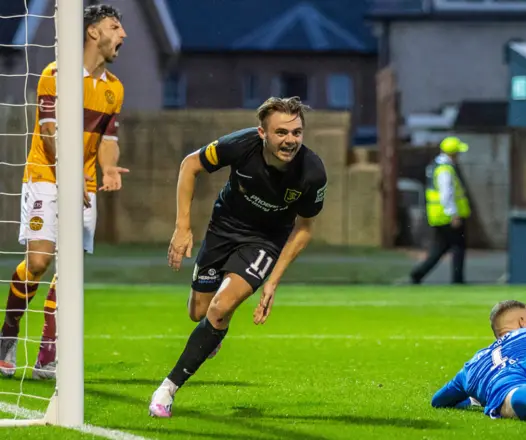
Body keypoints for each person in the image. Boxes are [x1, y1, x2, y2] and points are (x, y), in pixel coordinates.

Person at [148, 96, 328, 418]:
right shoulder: (240, 145)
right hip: (223, 228)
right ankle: (212, 334)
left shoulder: (312, 173)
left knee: (219, 309)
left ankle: (167, 390)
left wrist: (272, 282)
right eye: (282, 133)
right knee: (198, 312)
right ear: (263, 133)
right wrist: (182, 227)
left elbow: (304, 228)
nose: (290, 141)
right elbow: (190, 165)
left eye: (297, 133)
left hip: (265, 242)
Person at [0, 4, 128, 380]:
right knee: (38, 263)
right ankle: (6, 338)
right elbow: (49, 135)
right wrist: (69, 177)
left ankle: (48, 357)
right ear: (92, 32)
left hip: (84, 185)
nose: (123, 34)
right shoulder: (56, 74)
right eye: (115, 27)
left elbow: (109, 138)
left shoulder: (114, 89)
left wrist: (107, 167)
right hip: (45, 176)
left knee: (69, 270)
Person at [410, 136, 470, 284]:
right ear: (452, 153)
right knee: (458, 247)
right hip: (446, 215)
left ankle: (418, 273)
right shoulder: (445, 169)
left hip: (438, 214)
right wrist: (453, 214)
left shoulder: (436, 165)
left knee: (441, 248)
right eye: (457, 152)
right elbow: (446, 193)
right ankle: (457, 280)